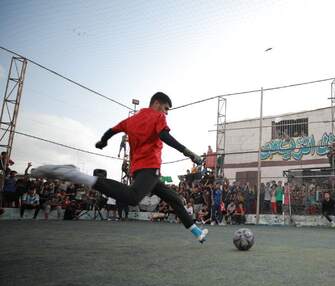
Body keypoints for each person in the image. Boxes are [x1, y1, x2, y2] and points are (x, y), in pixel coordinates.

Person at [31, 92, 208, 243]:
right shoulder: (157, 116)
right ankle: (77, 175)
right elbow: (164, 135)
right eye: (166, 108)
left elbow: (111, 130)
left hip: (139, 169)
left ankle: (197, 233)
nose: (166, 113)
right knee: (133, 197)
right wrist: (188, 152)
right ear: (156, 104)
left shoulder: (130, 120)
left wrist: (103, 141)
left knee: (174, 198)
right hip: (149, 167)